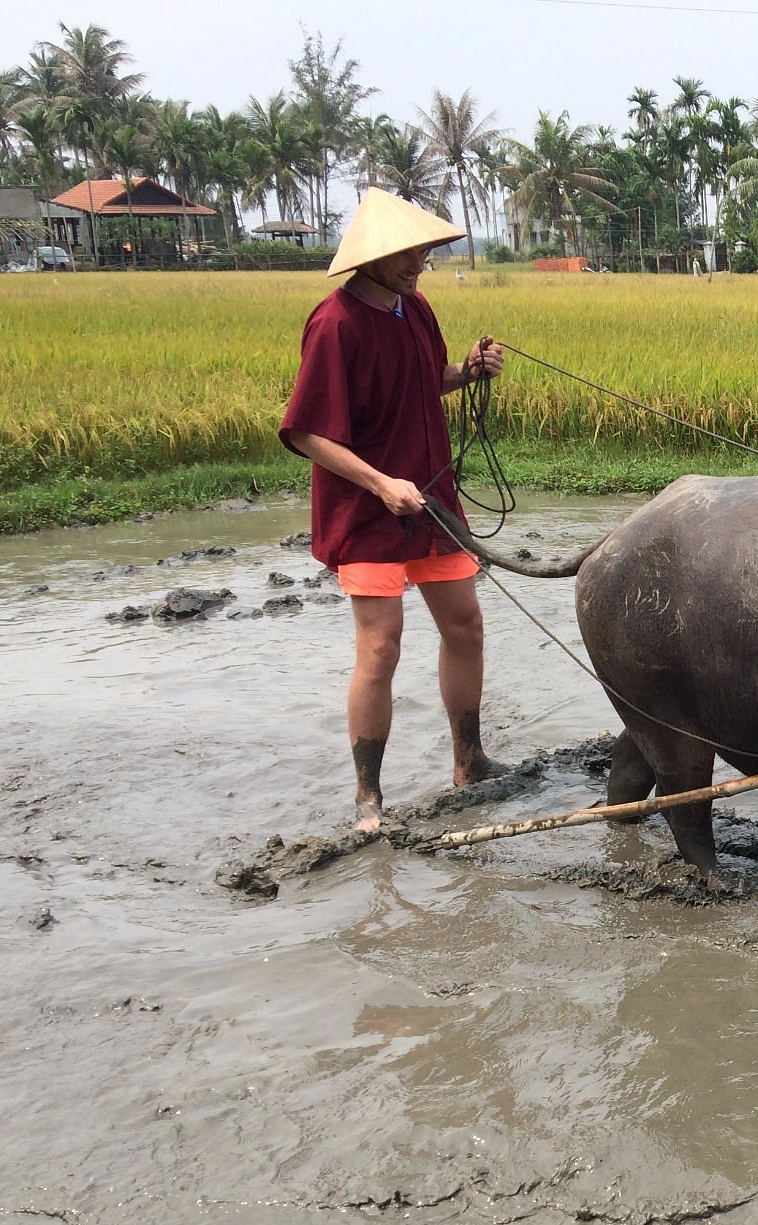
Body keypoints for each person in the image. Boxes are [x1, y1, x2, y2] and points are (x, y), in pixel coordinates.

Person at [280, 188, 506, 831]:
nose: (419, 264)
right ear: (374, 257)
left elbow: (427, 378)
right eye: (408, 254)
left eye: (424, 253)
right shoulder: (334, 323)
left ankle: (470, 761)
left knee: (465, 627)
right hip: (371, 509)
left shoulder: (416, 308)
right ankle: (368, 797)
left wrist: (469, 371)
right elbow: (306, 432)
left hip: (431, 500)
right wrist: (381, 483)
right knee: (381, 647)